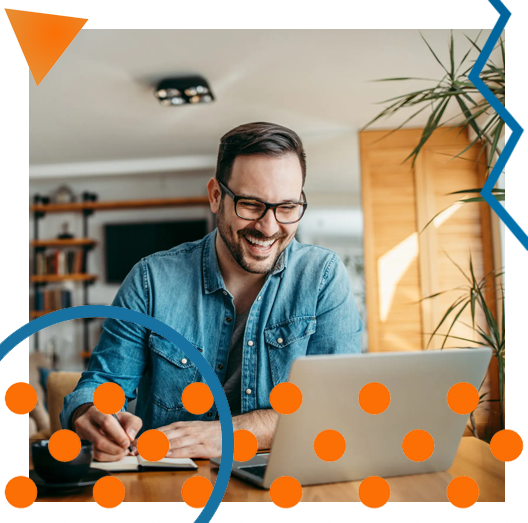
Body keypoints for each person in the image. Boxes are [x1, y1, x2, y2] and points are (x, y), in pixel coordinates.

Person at [60, 122, 362, 462]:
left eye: (287, 207)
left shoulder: (322, 276)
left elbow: (338, 406)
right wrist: (89, 413)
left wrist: (228, 435)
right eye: (251, 204)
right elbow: (99, 385)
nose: (269, 226)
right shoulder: (151, 280)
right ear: (216, 196)